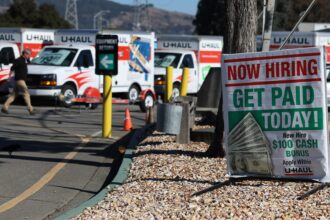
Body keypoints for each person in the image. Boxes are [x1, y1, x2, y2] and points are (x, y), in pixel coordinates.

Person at [1, 49, 35, 115]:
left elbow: (28, 64)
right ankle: (30, 109)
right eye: (28, 54)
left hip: (20, 81)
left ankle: (4, 107)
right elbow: (12, 68)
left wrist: (28, 60)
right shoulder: (18, 60)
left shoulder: (24, 61)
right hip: (20, 80)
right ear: (24, 54)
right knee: (26, 93)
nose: (28, 56)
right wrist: (9, 77)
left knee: (14, 95)